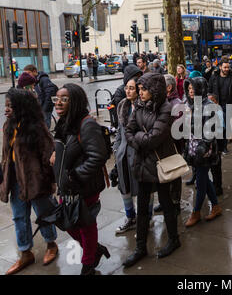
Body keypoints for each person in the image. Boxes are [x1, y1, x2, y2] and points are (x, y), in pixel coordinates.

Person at [52, 83, 110, 275]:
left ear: (74, 102)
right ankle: (95, 250)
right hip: (66, 187)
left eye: (64, 99)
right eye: (56, 99)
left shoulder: (86, 124)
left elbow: (97, 156)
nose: (58, 103)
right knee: (68, 224)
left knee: (86, 226)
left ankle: (88, 267)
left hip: (84, 187)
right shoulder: (63, 123)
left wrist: (75, 176)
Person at [124, 73, 180, 267]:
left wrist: (138, 139)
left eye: (143, 89)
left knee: (166, 203)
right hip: (142, 163)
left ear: (154, 89)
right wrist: (141, 139)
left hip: (158, 163)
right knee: (142, 208)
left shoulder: (165, 107)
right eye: (139, 89)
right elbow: (128, 130)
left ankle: (174, 239)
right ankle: (140, 247)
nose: (140, 92)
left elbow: (154, 138)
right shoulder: (139, 105)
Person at [1, 88, 58, 275]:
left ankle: (51, 244)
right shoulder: (8, 127)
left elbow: (48, 156)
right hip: (15, 180)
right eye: (6, 105)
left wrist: (49, 181)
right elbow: (5, 156)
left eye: (10, 105)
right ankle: (25, 252)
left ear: (22, 107)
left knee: (44, 214)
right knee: (19, 217)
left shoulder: (37, 128)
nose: (6, 109)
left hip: (36, 181)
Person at [113, 77, 155, 234]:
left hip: (140, 154)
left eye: (131, 88)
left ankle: (147, 218)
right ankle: (130, 217)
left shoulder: (145, 107)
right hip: (123, 154)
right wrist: (116, 150)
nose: (128, 91)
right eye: (126, 88)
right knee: (125, 188)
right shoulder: (123, 105)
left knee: (145, 189)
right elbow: (120, 130)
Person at [184, 77, 222, 227]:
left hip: (206, 149)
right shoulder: (191, 104)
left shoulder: (209, 106)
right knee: (204, 178)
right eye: (189, 89)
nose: (191, 91)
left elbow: (213, 130)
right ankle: (216, 206)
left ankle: (196, 212)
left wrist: (204, 146)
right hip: (194, 145)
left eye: (193, 88)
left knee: (200, 181)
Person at [154, 74, 184, 213]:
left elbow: (179, 128)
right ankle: (165, 201)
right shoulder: (162, 102)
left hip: (173, 144)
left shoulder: (177, 104)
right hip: (164, 144)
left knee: (175, 175)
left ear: (169, 87)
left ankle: (175, 202)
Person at [208, 60, 232, 154]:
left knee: (226, 127)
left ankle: (224, 147)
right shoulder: (214, 77)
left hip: (229, 105)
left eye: (228, 67)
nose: (226, 69)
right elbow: (209, 90)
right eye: (225, 67)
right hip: (217, 105)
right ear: (220, 67)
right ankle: (219, 146)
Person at [22, 65, 58, 129]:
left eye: (28, 73)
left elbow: (49, 94)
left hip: (45, 108)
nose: (27, 75)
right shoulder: (32, 81)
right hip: (39, 108)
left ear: (34, 71)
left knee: (45, 127)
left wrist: (45, 108)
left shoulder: (44, 79)